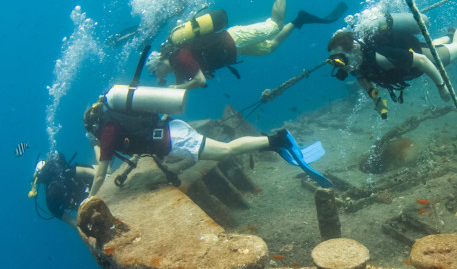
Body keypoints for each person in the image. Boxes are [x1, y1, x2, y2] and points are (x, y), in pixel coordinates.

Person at [147, 0, 347, 90]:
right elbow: (184, 83)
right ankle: (299, 20)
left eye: (155, 73)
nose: (158, 77)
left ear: (159, 64)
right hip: (236, 48)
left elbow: (199, 81)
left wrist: (175, 88)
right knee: (269, 47)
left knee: (274, 25)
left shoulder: (180, 58)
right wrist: (169, 89)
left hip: (234, 39)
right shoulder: (178, 68)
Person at [82, 98, 332, 195]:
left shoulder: (107, 132)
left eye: (91, 131)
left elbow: (101, 172)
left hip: (176, 140)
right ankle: (275, 144)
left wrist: (90, 199)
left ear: (94, 125)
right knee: (226, 150)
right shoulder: (112, 123)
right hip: (172, 133)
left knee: (227, 151)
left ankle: (278, 140)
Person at [327, 6, 457, 118]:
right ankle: (447, 36)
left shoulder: (380, 54)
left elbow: (420, 60)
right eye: (335, 61)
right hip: (409, 56)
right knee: (429, 47)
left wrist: (442, 86)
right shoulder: (354, 63)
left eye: (340, 58)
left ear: (352, 49)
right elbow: (363, 78)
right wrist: (378, 101)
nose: (339, 65)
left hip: (421, 58)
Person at [28, 151, 95, 226]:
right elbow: (89, 172)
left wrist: (86, 230)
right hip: (91, 188)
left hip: (86, 206)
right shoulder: (67, 171)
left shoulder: (50, 200)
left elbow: (74, 223)